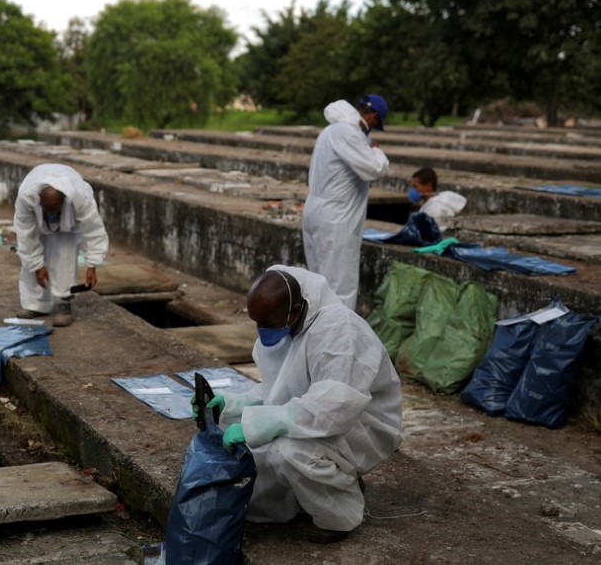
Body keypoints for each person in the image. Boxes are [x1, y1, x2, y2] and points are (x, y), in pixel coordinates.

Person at [194, 266, 402, 543]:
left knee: (289, 449)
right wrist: (230, 406)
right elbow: (276, 391)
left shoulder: (339, 332)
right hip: (315, 413)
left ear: (293, 312)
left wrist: (259, 425)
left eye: (267, 322)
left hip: (360, 425)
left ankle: (340, 516)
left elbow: (332, 409)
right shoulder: (287, 322)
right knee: (239, 440)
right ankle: (326, 483)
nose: (262, 331)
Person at [302, 95, 391, 310]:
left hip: (316, 211)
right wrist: (376, 150)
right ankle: (337, 341)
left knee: (318, 283)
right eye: (375, 125)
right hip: (336, 219)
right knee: (339, 288)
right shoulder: (349, 133)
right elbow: (375, 169)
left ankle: (317, 337)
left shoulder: (329, 131)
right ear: (373, 117)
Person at [13, 163, 109, 327]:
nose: (51, 214)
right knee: (30, 261)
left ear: (64, 201)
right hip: (36, 221)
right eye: (47, 209)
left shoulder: (79, 197)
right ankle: (35, 305)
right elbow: (25, 235)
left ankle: (64, 304)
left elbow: (93, 230)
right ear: (39, 200)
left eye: (55, 210)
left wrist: (92, 265)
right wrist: (37, 266)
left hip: (67, 226)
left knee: (64, 255)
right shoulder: (26, 196)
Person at [409, 167, 467, 232]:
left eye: (415, 186)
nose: (413, 190)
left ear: (428, 185)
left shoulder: (434, 209)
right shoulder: (435, 202)